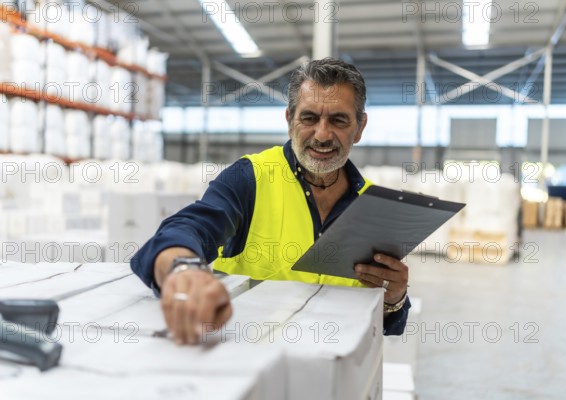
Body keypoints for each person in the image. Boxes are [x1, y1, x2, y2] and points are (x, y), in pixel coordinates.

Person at [131, 58, 411, 345]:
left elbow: (388, 321)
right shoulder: (249, 178)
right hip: (253, 365)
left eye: (338, 120)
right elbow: (187, 228)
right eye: (309, 118)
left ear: (360, 126)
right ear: (290, 120)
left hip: (332, 370)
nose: (323, 134)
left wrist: (395, 299)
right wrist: (183, 269)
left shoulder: (374, 205)